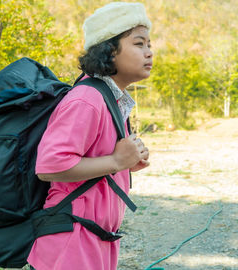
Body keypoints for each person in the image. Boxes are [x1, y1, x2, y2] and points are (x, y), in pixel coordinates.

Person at [27, 2, 153, 270]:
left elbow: (100, 160)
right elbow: (50, 166)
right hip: (72, 239)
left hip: (95, 237)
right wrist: (117, 162)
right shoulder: (87, 99)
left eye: (149, 44)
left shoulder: (112, 99)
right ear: (109, 49)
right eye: (139, 43)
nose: (149, 52)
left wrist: (126, 160)